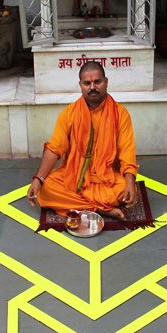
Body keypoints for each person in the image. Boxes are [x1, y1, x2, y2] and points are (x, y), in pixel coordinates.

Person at [27, 61, 137, 220]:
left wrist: (130, 183)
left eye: (97, 82)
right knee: (46, 188)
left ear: (106, 82)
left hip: (107, 176)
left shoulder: (120, 114)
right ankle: (101, 209)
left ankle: (81, 204)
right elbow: (55, 148)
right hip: (74, 174)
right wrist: (38, 179)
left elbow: (127, 152)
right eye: (87, 83)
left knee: (124, 189)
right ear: (80, 85)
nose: (92, 87)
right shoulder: (69, 113)